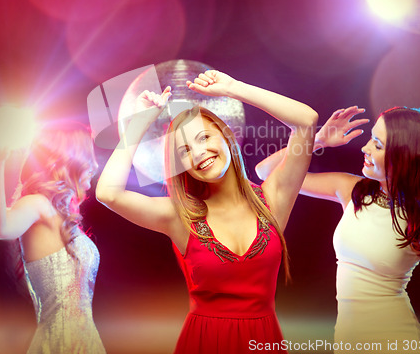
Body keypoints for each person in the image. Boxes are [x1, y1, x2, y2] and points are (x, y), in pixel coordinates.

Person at [96, 69, 318, 354]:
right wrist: (138, 123)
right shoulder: (179, 216)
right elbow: (108, 193)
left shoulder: (274, 199)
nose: (198, 153)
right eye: (185, 151)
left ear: (227, 136)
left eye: (204, 138)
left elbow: (306, 121)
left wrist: (235, 88)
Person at [256, 106, 420, 354]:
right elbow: (266, 172)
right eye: (371, 139)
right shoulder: (352, 191)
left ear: (406, 156)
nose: (365, 148)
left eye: (378, 145)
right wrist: (318, 140)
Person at [0, 123, 106, 354]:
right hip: (60, 345)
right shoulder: (38, 204)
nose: (95, 165)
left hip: (86, 341)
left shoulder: (64, 214)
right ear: (70, 158)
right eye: (89, 156)